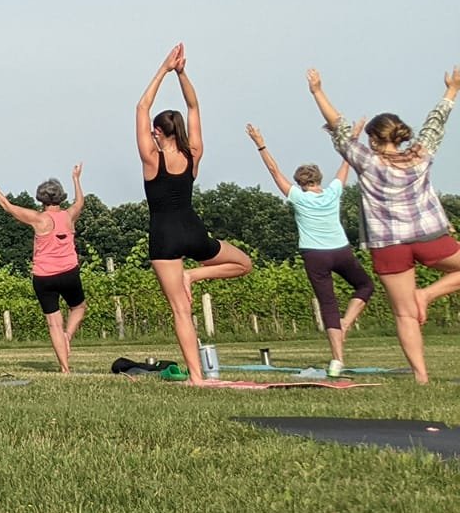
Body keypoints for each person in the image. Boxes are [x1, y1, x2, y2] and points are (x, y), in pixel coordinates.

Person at [306, 65, 460, 385]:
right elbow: (435, 123)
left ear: (374, 140)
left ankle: (421, 377)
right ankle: (428, 295)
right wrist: (451, 90)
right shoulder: (420, 155)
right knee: (422, 298)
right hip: (429, 235)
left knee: (404, 315)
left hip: (388, 245)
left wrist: (318, 91)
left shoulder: (367, 160)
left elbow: (338, 126)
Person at [134, 45, 253, 383]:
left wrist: (164, 68)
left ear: (157, 132)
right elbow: (194, 105)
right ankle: (195, 276)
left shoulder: (150, 158)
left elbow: (142, 106)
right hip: (194, 232)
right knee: (243, 263)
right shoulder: (193, 154)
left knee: (180, 311)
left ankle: (198, 377)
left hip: (165, 239)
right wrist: (182, 73)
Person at [245, 124, 371, 377]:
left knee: (328, 304)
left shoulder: (297, 197)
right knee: (365, 286)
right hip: (341, 250)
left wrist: (260, 143)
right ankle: (347, 322)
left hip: (314, 256)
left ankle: (337, 359)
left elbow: (273, 170)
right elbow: (347, 161)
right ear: (319, 179)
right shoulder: (334, 192)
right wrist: (354, 136)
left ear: (300, 183)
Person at [0, 164, 88, 374]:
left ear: (40, 199)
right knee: (79, 307)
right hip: (69, 273)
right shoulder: (68, 216)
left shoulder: (38, 219)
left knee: (54, 324)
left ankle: (65, 369)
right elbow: (80, 202)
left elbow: (7, 206)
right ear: (61, 197)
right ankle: (68, 336)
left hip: (43, 276)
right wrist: (76, 179)